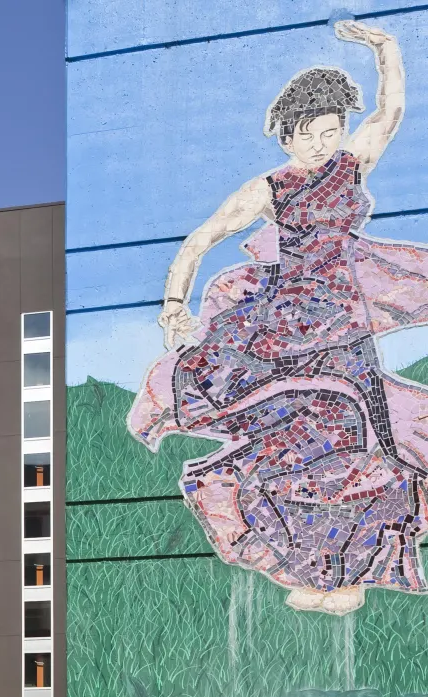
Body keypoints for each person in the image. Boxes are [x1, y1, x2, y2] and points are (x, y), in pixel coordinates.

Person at [128, 21, 428, 614]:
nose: (323, 143)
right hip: (287, 330)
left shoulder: (349, 167)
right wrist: (172, 306)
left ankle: (341, 578)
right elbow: (199, 240)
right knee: (290, 447)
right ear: (288, 134)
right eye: (311, 134)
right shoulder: (268, 189)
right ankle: (309, 567)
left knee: (364, 444)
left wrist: (386, 49)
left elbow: (389, 114)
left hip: (345, 329)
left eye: (332, 131)